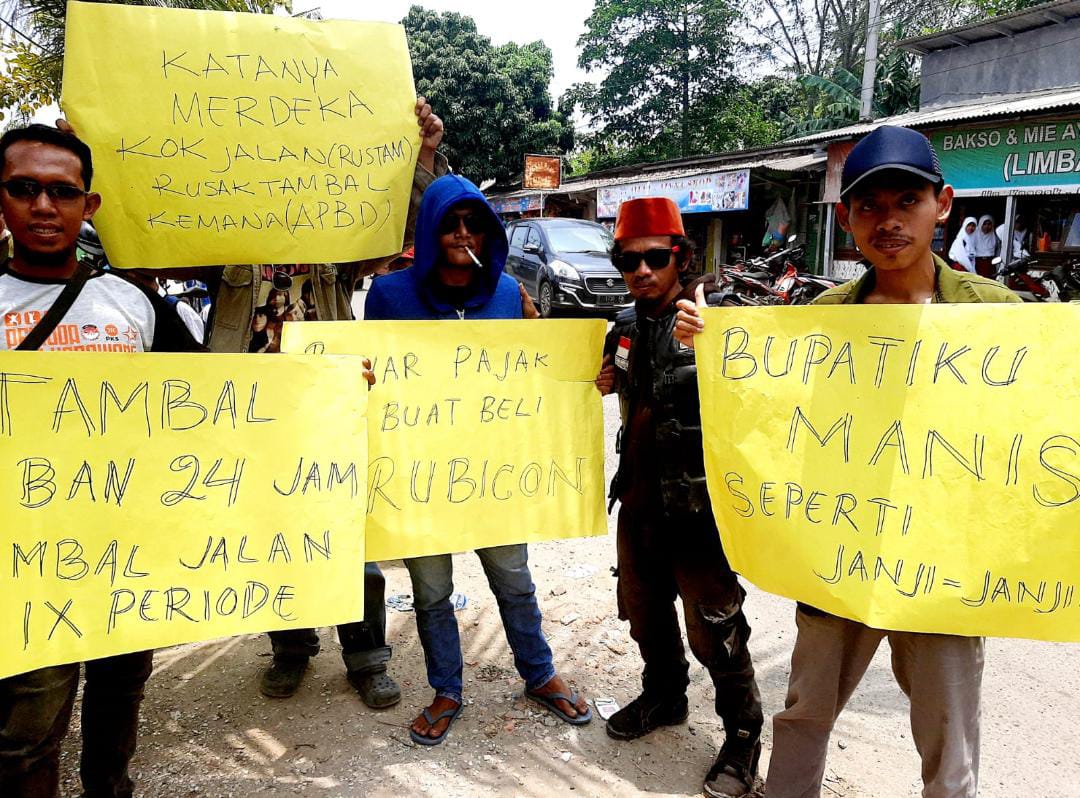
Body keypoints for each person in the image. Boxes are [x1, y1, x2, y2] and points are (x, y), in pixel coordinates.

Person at [674, 125, 1020, 798]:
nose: (888, 220)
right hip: (840, 549)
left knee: (949, 741)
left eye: (907, 201)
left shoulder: (1001, 317)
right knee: (806, 712)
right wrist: (714, 350)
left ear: (942, 204)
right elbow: (775, 408)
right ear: (845, 218)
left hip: (942, 561)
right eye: (869, 206)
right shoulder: (824, 317)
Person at [212, 97, 449, 709]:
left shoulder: (337, 239)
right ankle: (291, 648)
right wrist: (97, 152)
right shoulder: (220, 237)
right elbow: (146, 232)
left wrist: (422, 155)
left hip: (332, 411)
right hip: (253, 413)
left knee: (350, 537)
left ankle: (366, 656)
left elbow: (409, 224)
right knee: (276, 533)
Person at [0, 123, 202, 797]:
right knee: (26, 735)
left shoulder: (133, 303)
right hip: (24, 562)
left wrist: (332, 385)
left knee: (118, 702)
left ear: (90, 207)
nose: (43, 206)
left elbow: (213, 401)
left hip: (126, 550)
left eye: (63, 191)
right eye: (24, 188)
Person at [364, 174, 591, 745]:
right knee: (433, 591)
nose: (462, 235)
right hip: (419, 475)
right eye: (450, 224)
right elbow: (368, 381)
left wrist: (573, 367)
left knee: (514, 580)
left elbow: (535, 379)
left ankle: (539, 675)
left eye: (474, 225)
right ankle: (447, 690)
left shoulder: (510, 296)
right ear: (431, 231)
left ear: (490, 234)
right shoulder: (389, 297)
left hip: (494, 475)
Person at [595, 197, 763, 798]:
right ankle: (664, 697)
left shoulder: (716, 318)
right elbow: (617, 384)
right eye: (628, 260)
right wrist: (607, 377)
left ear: (681, 258)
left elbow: (762, 400)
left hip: (698, 511)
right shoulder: (625, 324)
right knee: (644, 613)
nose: (641, 271)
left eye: (654, 258)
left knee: (715, 626)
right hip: (639, 500)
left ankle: (744, 735)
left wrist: (719, 347)